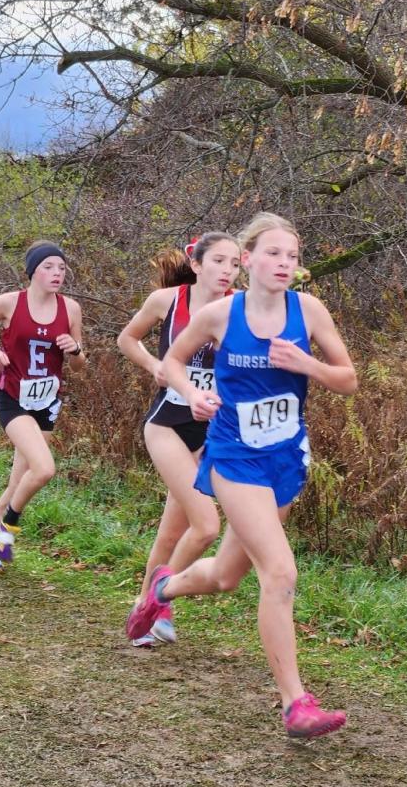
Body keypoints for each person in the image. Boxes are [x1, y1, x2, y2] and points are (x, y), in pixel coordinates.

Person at [126, 213, 358, 739]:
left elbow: (347, 379)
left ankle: (164, 587)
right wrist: (194, 395)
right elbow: (174, 363)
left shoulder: (310, 311)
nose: (284, 264)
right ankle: (295, 703)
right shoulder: (221, 314)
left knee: (227, 577)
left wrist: (309, 366)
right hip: (233, 458)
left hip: (284, 459)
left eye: (293, 257)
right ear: (248, 260)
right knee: (280, 573)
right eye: (273, 254)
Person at [117, 232, 241, 646]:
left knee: (172, 534)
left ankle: (143, 612)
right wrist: (156, 364)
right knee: (206, 526)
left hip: (210, 432)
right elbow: (126, 339)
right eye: (219, 262)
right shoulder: (168, 301)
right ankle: (161, 600)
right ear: (197, 264)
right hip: (167, 424)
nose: (227, 271)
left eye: (235, 264)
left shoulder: (239, 308)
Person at [0, 241, 85, 571]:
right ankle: (7, 531)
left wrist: (75, 350)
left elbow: (81, 364)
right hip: (13, 399)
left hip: (46, 403)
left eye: (61, 267)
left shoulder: (70, 309)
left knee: (19, 482)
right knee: (43, 469)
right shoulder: (9, 303)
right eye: (48, 267)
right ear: (32, 271)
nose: (57, 272)